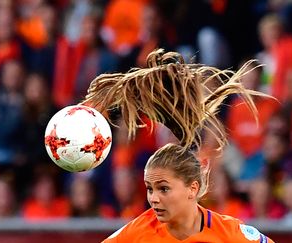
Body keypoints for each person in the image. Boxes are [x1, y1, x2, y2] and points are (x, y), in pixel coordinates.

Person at [82, 49, 275, 242]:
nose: (154, 199)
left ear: (192, 188)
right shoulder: (136, 233)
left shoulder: (229, 233)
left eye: (163, 189)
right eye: (150, 189)